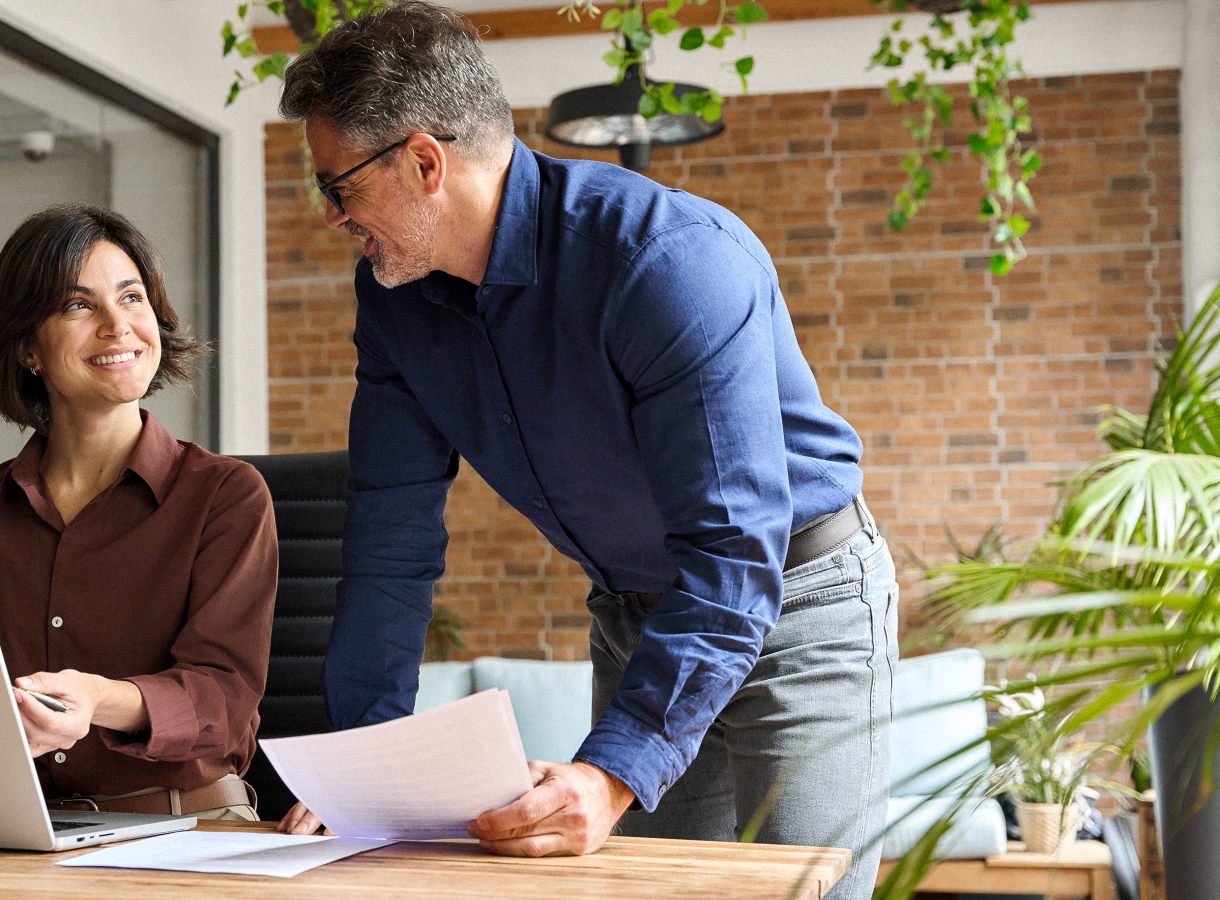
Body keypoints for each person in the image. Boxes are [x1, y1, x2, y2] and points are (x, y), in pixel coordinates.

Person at [269, 5, 895, 898]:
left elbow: (729, 549)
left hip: (799, 604)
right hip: (640, 620)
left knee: (809, 893)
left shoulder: (666, 263)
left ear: (422, 162)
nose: (332, 217)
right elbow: (388, 539)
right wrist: (363, 772)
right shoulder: (395, 301)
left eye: (338, 187)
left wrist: (611, 774)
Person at [0, 203, 279, 821]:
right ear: (27, 348)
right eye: (78, 305)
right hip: (7, 830)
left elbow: (223, 701)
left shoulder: (225, 495)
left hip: (185, 829)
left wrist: (94, 699)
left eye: (132, 298)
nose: (118, 325)